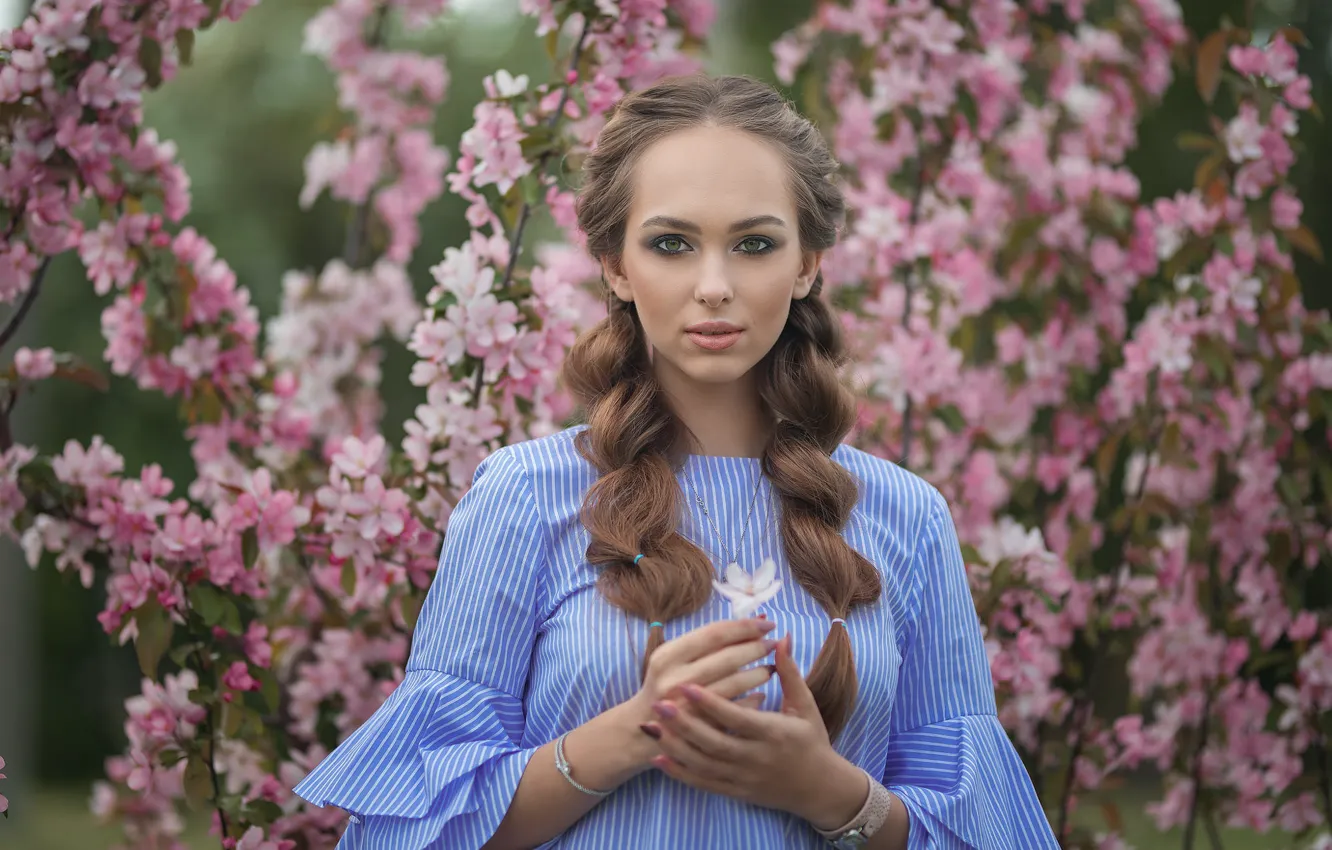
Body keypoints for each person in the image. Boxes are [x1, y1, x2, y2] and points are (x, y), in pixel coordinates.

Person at [293, 74, 1060, 850]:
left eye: (755, 244)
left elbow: (982, 835)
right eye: (671, 244)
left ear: (808, 265)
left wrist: (827, 791)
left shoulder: (905, 517)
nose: (715, 287)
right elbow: (410, 834)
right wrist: (633, 732)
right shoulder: (523, 497)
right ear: (615, 266)